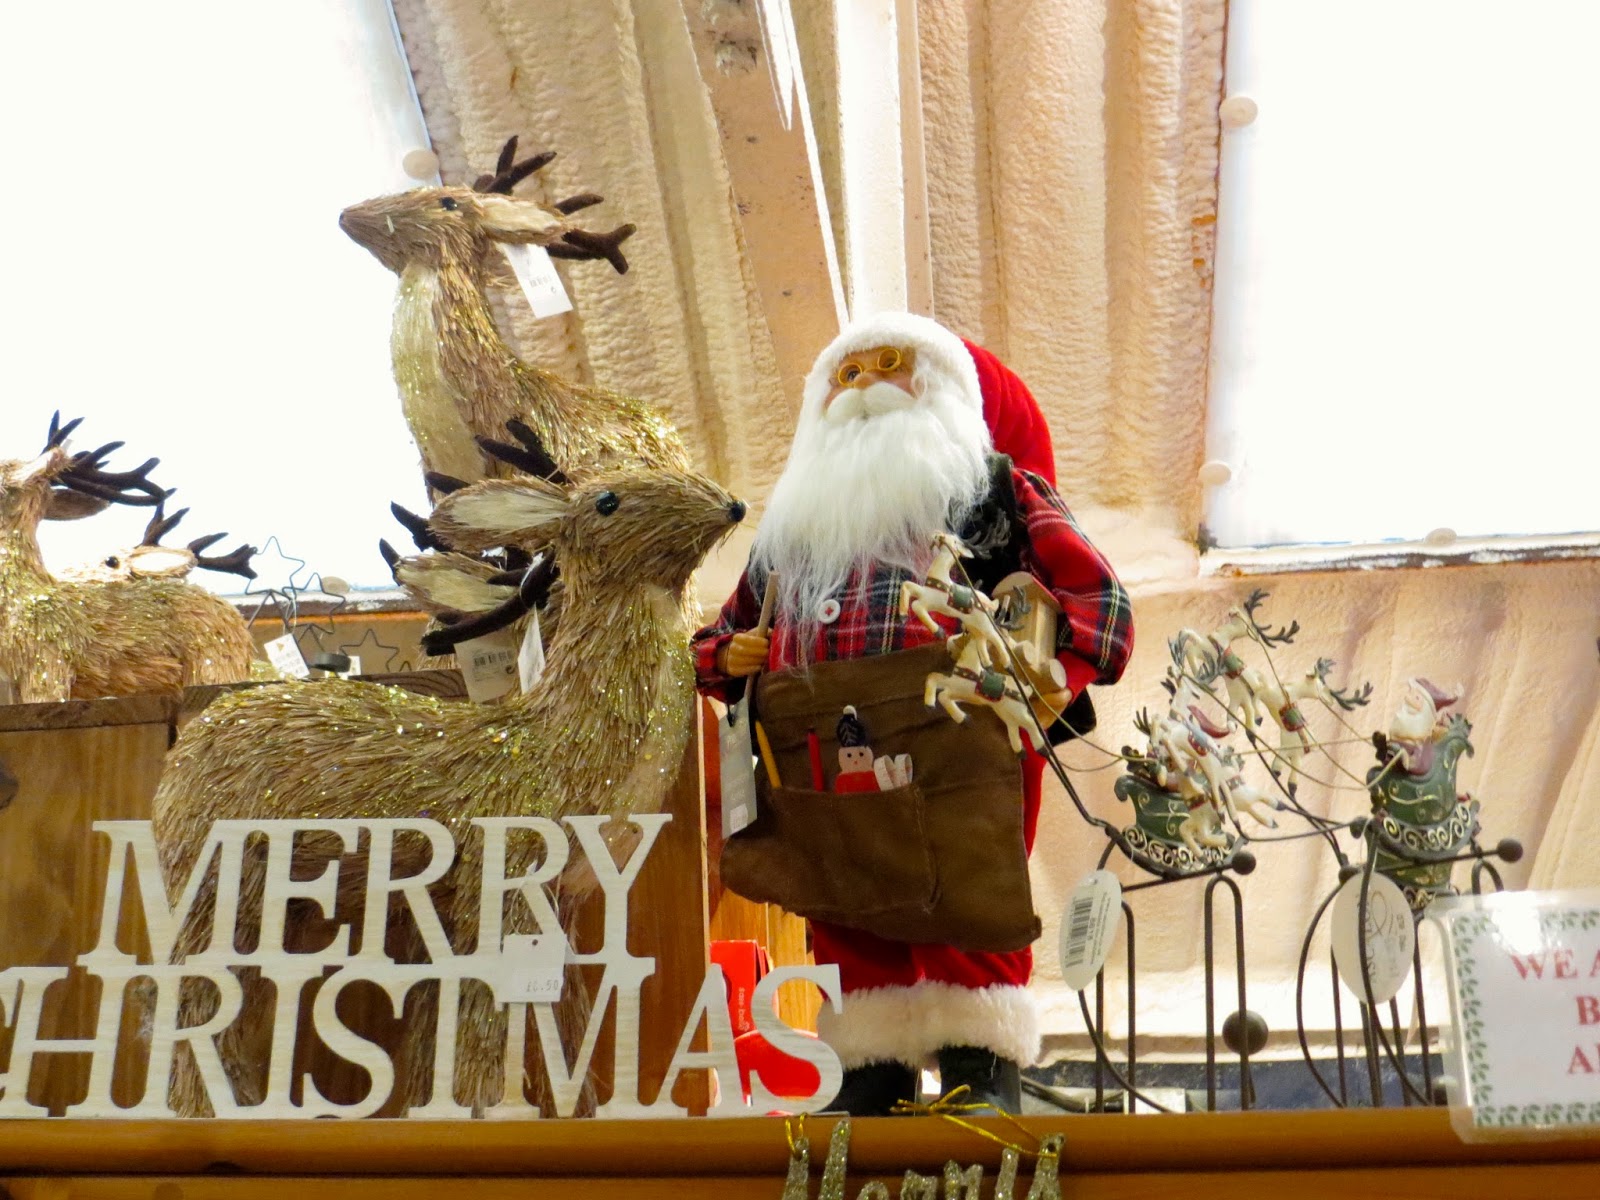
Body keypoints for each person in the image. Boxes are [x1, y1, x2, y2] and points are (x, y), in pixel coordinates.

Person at [694, 312, 1132, 1114]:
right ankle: (869, 1065)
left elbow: (1098, 605)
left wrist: (1051, 680)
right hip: (820, 748)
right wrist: (729, 658)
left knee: (971, 885)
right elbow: (718, 639)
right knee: (845, 889)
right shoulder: (792, 529)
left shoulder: (997, 493)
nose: (864, 387)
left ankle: (979, 1060)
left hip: (959, 735)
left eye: (889, 364)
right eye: (846, 374)